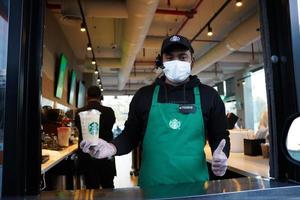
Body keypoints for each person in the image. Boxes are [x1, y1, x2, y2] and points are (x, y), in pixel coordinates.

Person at [80, 35, 230, 188]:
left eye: (182, 57)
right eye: (169, 57)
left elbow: (220, 135)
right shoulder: (144, 96)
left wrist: (222, 154)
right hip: (152, 187)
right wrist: (111, 148)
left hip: (196, 185)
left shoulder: (209, 96)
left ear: (192, 60)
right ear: (162, 61)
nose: (176, 62)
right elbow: (130, 135)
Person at [75, 86, 116, 189]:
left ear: (86, 96)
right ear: (100, 97)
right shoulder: (109, 111)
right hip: (105, 154)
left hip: (87, 155)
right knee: (108, 187)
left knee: (91, 188)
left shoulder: (79, 112)